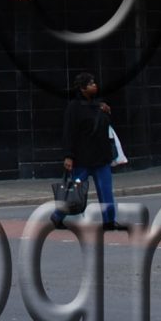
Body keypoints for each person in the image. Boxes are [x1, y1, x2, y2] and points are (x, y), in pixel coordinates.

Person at [61, 72, 119, 227]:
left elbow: (106, 126)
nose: (95, 86)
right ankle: (57, 216)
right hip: (82, 160)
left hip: (101, 158)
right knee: (75, 192)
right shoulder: (74, 107)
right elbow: (69, 132)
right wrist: (68, 156)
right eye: (91, 84)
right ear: (82, 88)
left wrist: (107, 112)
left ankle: (109, 221)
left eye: (94, 83)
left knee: (106, 192)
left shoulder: (99, 105)